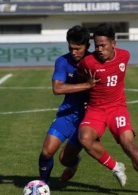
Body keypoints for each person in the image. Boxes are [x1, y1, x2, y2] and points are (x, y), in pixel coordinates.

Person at [77, 23, 138, 195]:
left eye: (103, 45)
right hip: (96, 109)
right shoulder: (87, 62)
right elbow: (81, 79)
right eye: (96, 46)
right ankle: (116, 166)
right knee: (85, 139)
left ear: (113, 44)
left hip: (117, 108)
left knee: (129, 145)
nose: (99, 49)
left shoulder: (124, 56)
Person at [38, 25, 99, 184]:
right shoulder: (62, 61)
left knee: (64, 160)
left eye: (78, 48)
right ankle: (43, 185)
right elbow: (57, 88)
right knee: (46, 152)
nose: (74, 52)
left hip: (87, 120)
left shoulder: (95, 63)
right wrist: (87, 85)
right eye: (71, 48)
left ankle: (74, 162)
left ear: (87, 46)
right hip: (67, 114)